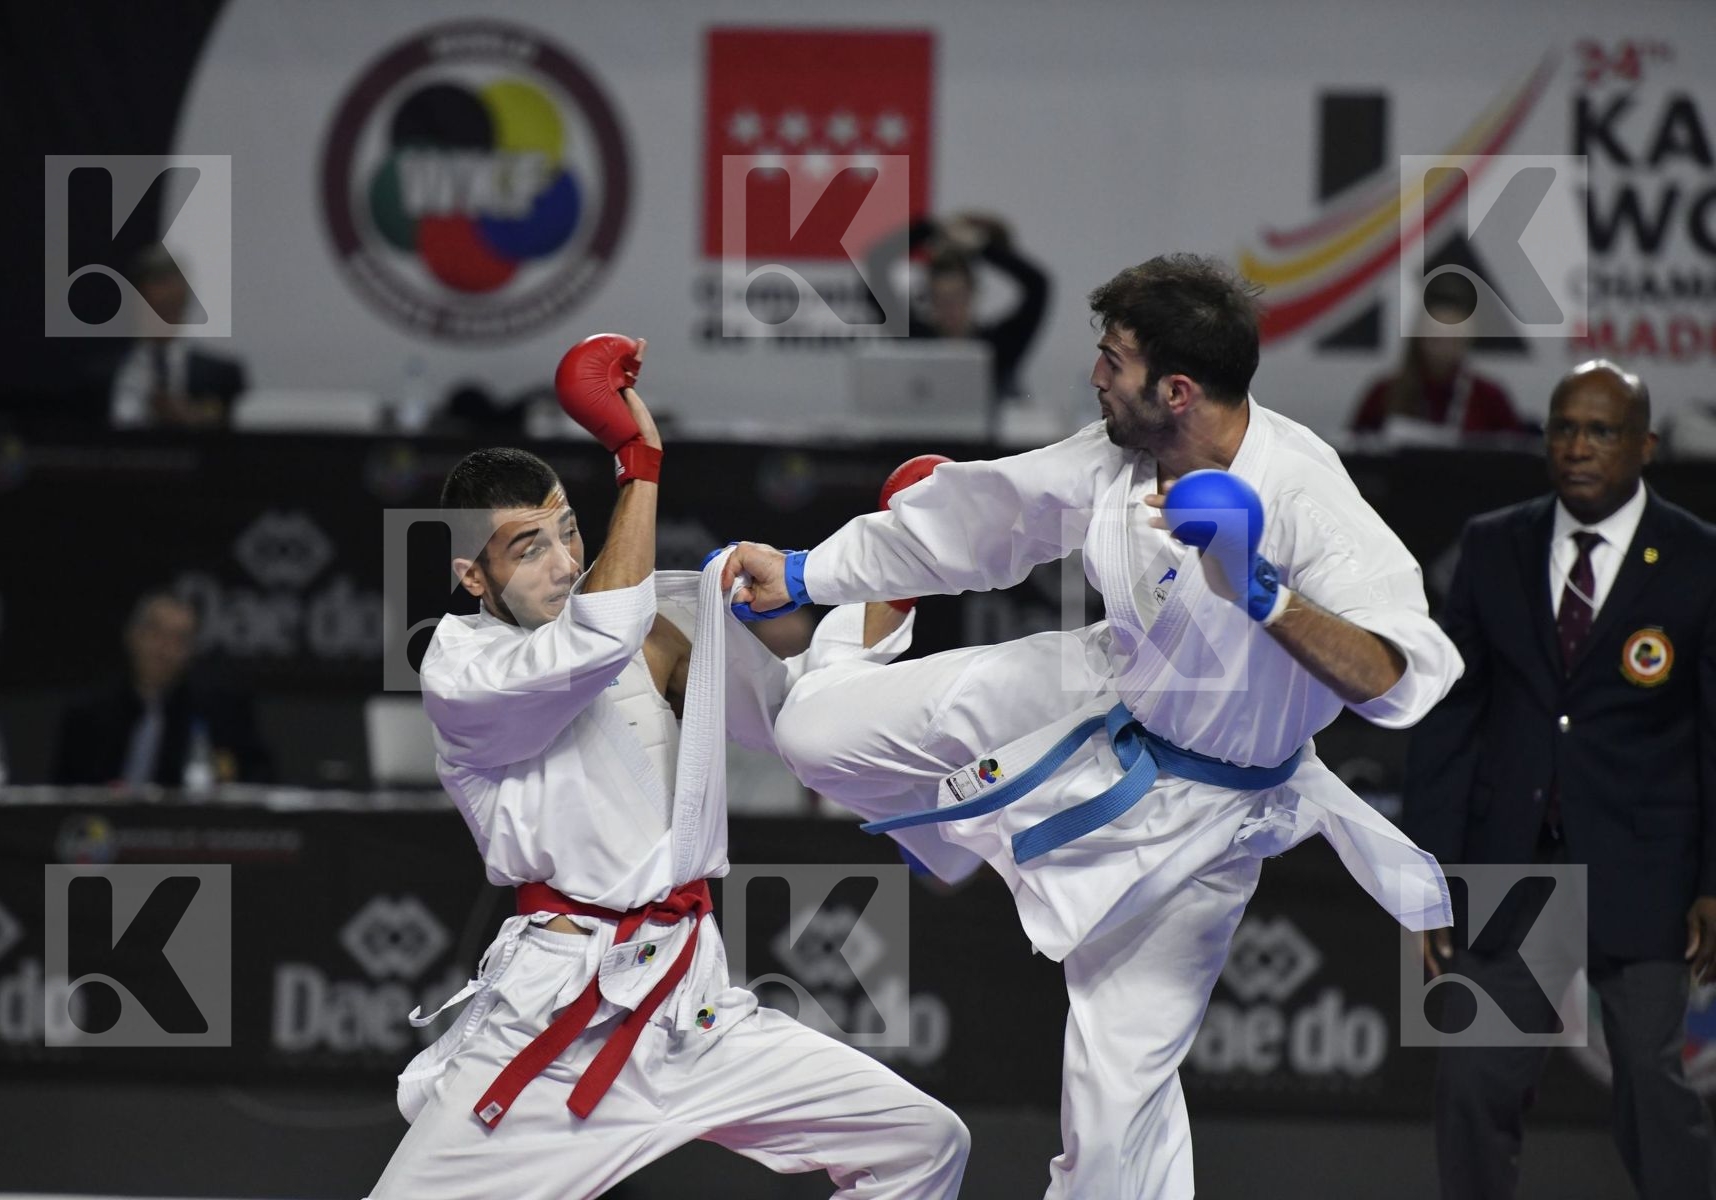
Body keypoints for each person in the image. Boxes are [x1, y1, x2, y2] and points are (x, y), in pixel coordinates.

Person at [719, 253, 1463, 1198]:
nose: (1096, 377)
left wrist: (1265, 593)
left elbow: (1401, 679)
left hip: (1206, 817)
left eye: (1113, 361)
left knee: (1113, 1133)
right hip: (1102, 684)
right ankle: (937, 814)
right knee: (815, 738)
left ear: (1178, 389)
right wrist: (806, 572)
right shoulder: (1120, 453)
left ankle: (953, 835)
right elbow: (983, 518)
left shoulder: (1308, 502)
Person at [367, 335, 969, 1200]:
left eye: (568, 530)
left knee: (923, 1142)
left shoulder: (656, 627)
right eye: (527, 547)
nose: (564, 561)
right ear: (472, 576)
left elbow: (801, 716)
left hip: (693, 1004)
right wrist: (638, 460)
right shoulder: (462, 669)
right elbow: (594, 637)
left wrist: (896, 572)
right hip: (553, 1019)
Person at [1404, 359, 1716, 1200]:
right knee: (1472, 1086)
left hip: (1645, 869)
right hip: (1514, 870)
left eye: (1602, 431)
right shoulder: (1492, 542)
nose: (1577, 447)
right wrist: (1427, 878)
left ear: (1646, 445)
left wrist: (1715, 883)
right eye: (1563, 429)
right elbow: (1450, 716)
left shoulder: (1698, 558)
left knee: (1653, 1089)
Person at [53, 590, 270, 788]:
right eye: (155, 633)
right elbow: (61, 794)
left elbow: (259, 779)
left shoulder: (221, 712)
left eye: (180, 639)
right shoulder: (87, 713)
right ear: (132, 635)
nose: (165, 650)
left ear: (192, 651)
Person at [867, 210, 1051, 400]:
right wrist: (930, 229)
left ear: (973, 293)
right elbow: (876, 264)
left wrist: (981, 247)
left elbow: (1038, 285)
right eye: (941, 299)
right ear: (929, 299)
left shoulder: (999, 346)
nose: (951, 309)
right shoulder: (917, 341)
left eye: (957, 297)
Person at [1349, 273, 1525, 437]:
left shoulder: (1489, 398)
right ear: (1420, 340)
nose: (1444, 349)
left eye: (1453, 341)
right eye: (1436, 339)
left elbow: (1514, 457)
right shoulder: (1383, 394)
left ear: (1466, 342)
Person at [107, 243, 248, 429]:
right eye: (154, 306)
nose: (163, 315)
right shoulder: (103, 375)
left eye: (172, 305)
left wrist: (190, 418)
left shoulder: (221, 377)